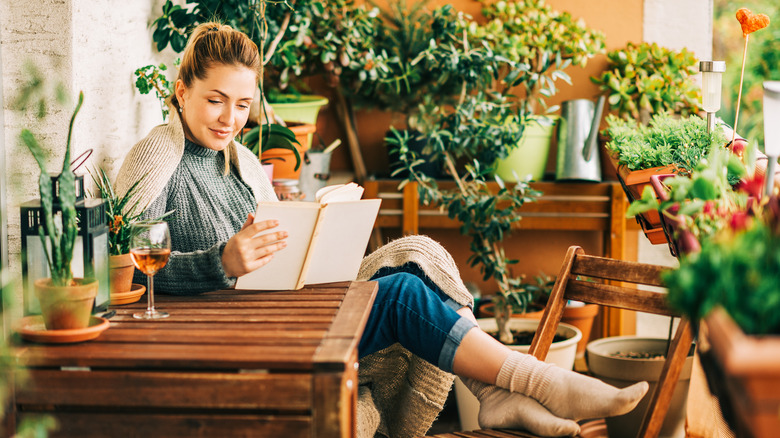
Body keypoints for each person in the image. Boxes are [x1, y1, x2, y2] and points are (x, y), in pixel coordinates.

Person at [116, 22, 648, 438]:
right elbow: (126, 275)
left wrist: (309, 230)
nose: (230, 117)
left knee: (414, 259)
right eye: (215, 100)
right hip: (233, 337)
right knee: (400, 295)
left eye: (243, 104)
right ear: (181, 90)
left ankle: (497, 393)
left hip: (277, 313)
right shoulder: (159, 153)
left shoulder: (241, 161)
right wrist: (221, 262)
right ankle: (529, 384)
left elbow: (272, 252)